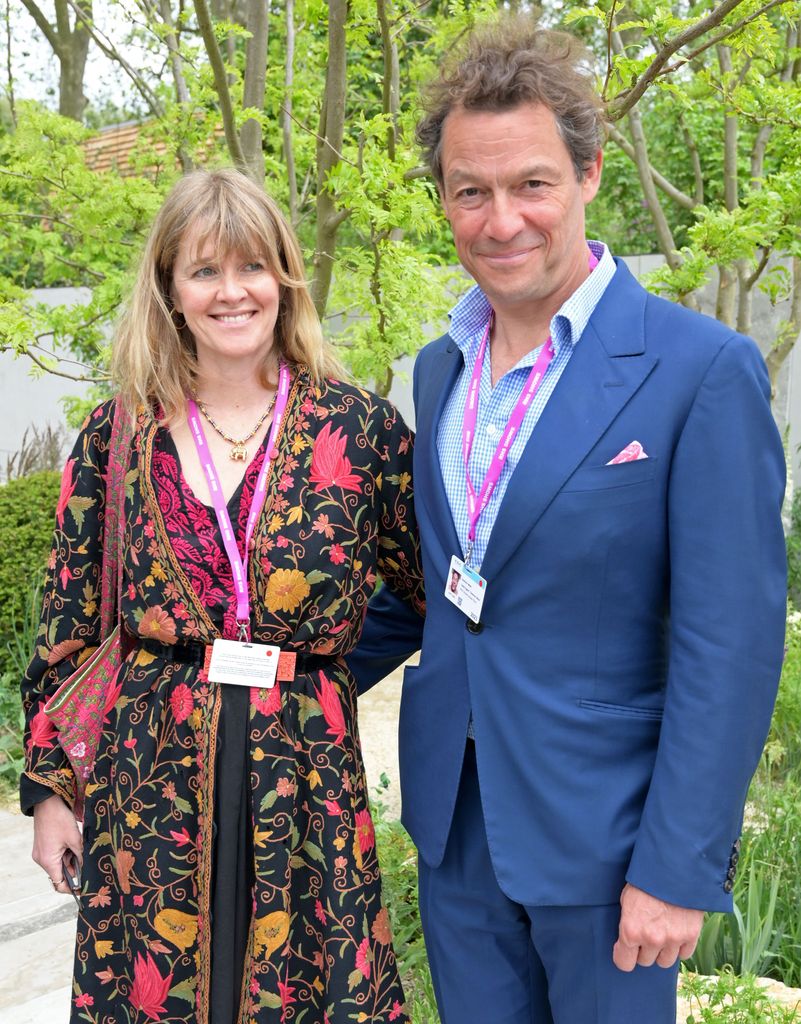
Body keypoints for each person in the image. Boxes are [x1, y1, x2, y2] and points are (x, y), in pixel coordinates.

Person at [347, 19, 787, 1024]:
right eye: (472, 191)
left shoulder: (699, 372)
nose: (502, 220)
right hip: (457, 832)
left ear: (589, 176)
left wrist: (679, 864)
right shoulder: (439, 367)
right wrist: (242, 672)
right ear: (445, 198)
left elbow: (732, 642)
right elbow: (438, 585)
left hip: (610, 848)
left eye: (531, 184)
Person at [21, 168, 424, 1024]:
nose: (231, 292)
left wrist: (323, 667)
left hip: (303, 773)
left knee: (302, 988)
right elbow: (68, 624)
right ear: (170, 289)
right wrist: (53, 791)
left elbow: (424, 590)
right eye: (204, 271)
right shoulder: (117, 434)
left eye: (251, 267)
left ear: (284, 278)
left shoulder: (360, 430)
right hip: (149, 778)